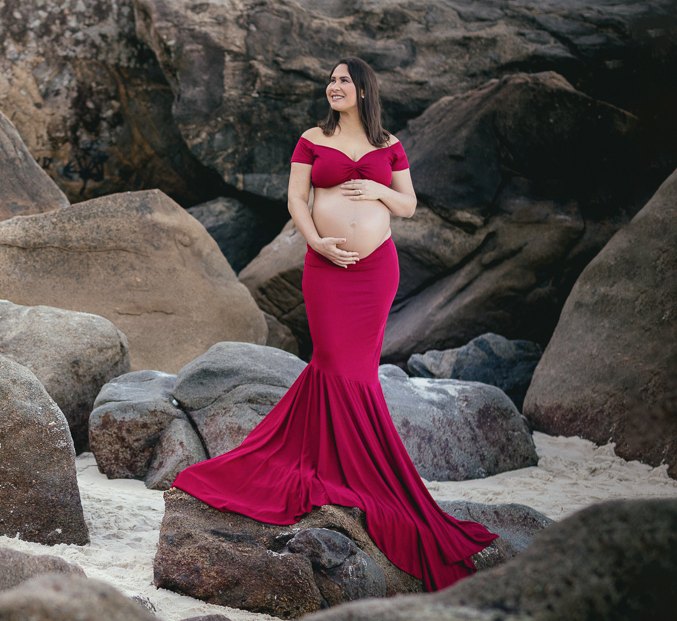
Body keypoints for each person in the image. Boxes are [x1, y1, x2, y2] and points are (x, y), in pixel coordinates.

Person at [171, 57, 496, 591]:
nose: (334, 86)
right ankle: (338, 466)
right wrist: (315, 241)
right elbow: (297, 197)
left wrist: (377, 192)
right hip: (325, 266)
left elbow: (409, 206)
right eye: (332, 80)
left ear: (364, 91)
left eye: (345, 80)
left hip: (375, 271)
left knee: (357, 371)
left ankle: (353, 472)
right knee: (331, 362)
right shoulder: (310, 139)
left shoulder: (387, 144)